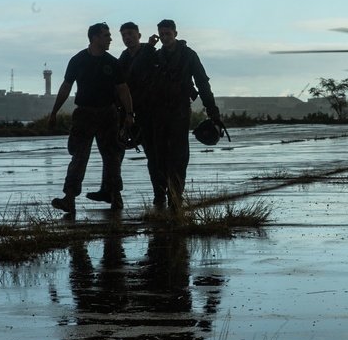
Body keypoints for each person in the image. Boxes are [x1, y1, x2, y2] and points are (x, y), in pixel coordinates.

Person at [49, 22, 134, 215]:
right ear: (94, 37)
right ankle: (69, 199)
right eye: (106, 35)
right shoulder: (78, 60)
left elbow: (123, 89)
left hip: (108, 114)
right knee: (78, 157)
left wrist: (129, 114)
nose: (110, 38)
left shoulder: (112, 62)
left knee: (112, 158)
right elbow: (65, 87)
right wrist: (54, 113)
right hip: (84, 115)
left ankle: (115, 197)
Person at [147, 18, 222, 208]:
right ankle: (160, 193)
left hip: (179, 110)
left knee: (178, 155)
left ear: (175, 33)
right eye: (162, 34)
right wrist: (148, 48)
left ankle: (176, 194)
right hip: (158, 111)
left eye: (168, 34)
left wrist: (212, 110)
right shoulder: (155, 56)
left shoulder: (189, 55)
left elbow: (202, 83)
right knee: (158, 154)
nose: (165, 38)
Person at [86, 21, 159, 204]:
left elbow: (143, 74)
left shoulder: (150, 54)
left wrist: (149, 48)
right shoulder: (124, 57)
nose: (127, 38)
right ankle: (109, 191)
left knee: (153, 155)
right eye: (124, 35)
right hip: (125, 112)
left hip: (146, 112)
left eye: (131, 34)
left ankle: (160, 194)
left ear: (138, 35)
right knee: (114, 154)